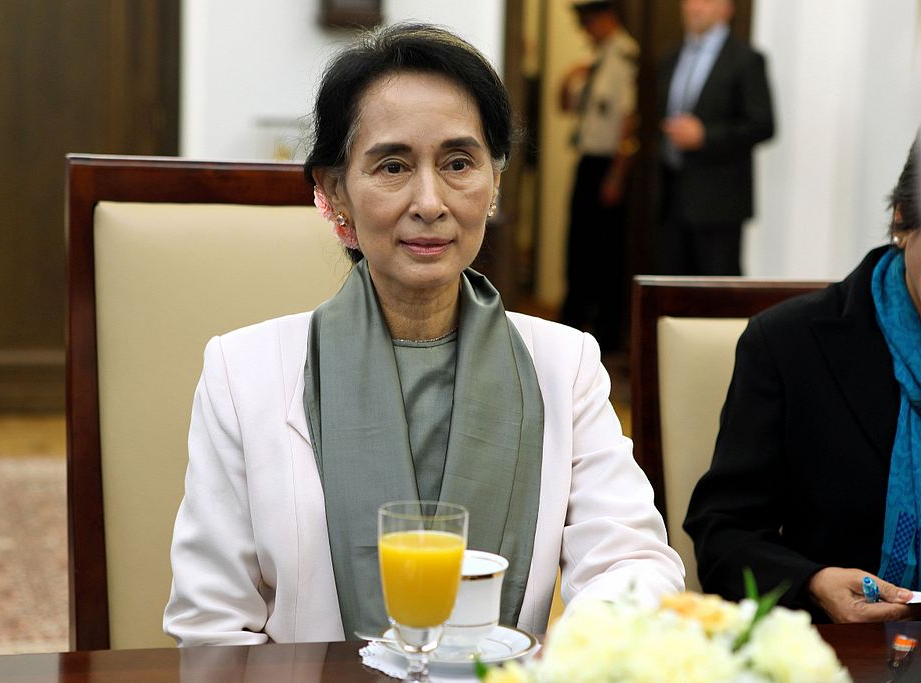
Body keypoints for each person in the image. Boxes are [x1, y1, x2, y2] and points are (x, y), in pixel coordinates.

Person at [163, 23, 684, 646]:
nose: (431, 201)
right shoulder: (242, 372)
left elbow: (634, 563)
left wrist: (562, 655)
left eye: (459, 163)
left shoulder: (563, 364)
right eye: (393, 165)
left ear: (495, 181)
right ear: (336, 192)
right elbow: (212, 624)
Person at [685, 135, 921, 623]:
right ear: (902, 219)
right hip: (840, 655)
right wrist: (812, 583)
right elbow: (723, 536)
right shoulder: (791, 345)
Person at [658, 0, 774, 275]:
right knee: (671, 292)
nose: (695, 7)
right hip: (672, 198)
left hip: (719, 203)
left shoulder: (745, 59)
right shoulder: (670, 57)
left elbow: (763, 125)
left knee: (715, 296)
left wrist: (705, 136)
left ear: (727, 8)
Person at [558, 0, 640, 352]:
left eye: (588, 22)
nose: (584, 31)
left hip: (608, 167)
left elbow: (628, 122)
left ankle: (604, 335)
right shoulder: (597, 60)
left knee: (604, 253)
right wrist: (569, 77)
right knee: (578, 247)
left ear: (607, 19)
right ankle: (572, 325)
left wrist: (617, 177)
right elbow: (565, 106)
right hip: (587, 161)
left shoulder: (625, 57)